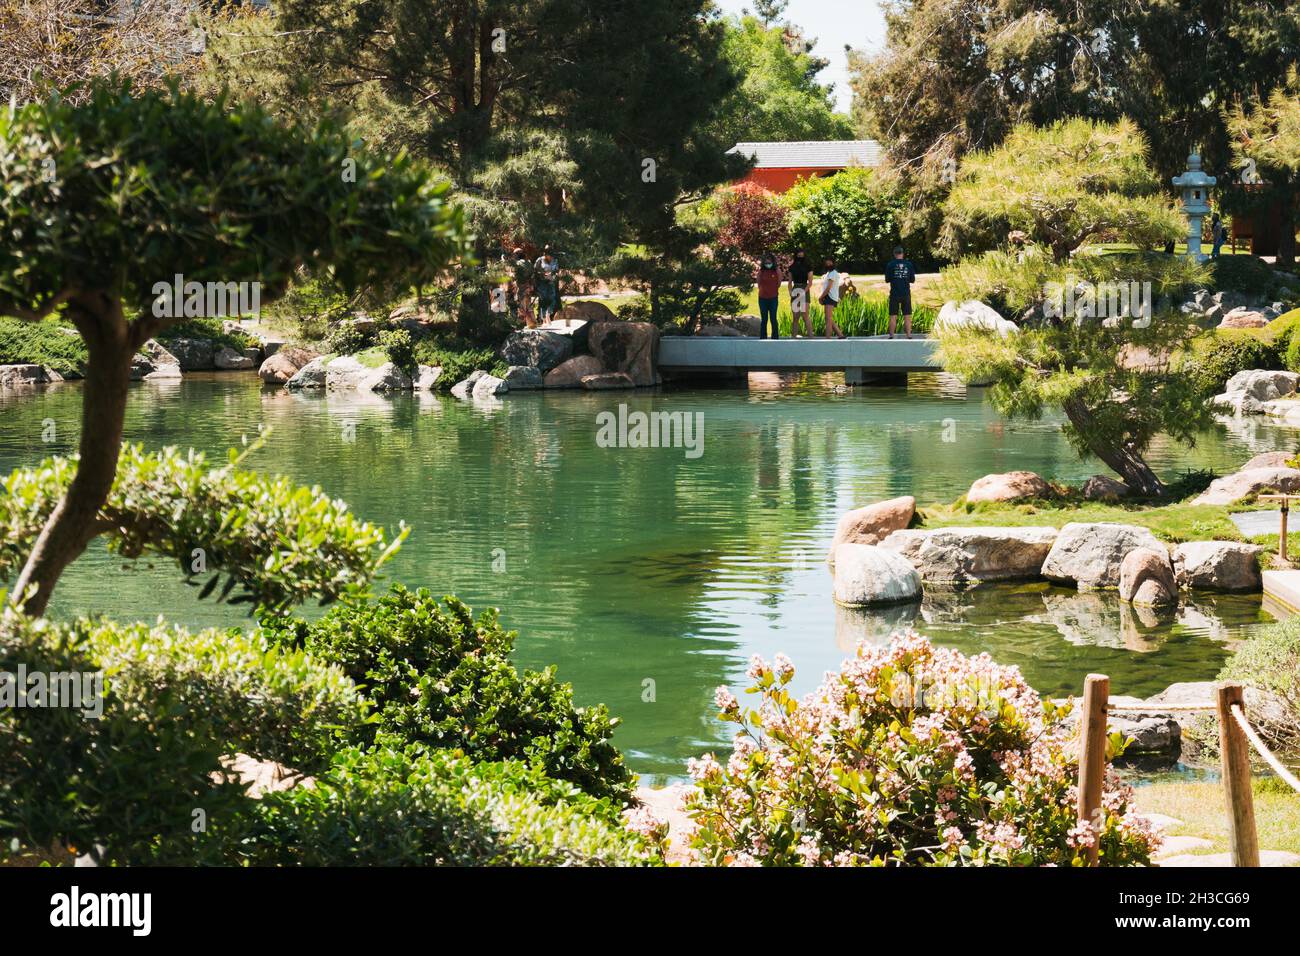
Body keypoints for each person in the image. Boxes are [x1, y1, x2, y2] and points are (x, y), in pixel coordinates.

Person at [884, 245, 917, 339]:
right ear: (903, 254)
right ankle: (909, 335)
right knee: (907, 315)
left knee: (893, 315)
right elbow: (912, 280)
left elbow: (887, 279)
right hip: (906, 294)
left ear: (894, 254)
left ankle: (891, 335)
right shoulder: (909, 265)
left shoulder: (890, 265)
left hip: (894, 293)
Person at [756, 251, 783, 339]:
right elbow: (758, 283)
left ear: (773, 262)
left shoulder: (777, 271)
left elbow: (779, 283)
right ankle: (763, 337)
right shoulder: (761, 271)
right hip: (762, 298)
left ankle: (775, 337)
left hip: (773, 298)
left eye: (770, 262)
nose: (768, 264)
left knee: (773, 318)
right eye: (766, 262)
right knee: (764, 319)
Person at [787, 248, 814, 337]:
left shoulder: (808, 267)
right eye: (798, 256)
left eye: (802, 256)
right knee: (795, 317)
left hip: (804, 289)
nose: (800, 257)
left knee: (805, 315)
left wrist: (803, 292)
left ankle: (811, 337)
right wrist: (790, 292)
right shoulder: (791, 267)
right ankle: (793, 338)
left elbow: (810, 283)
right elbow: (790, 281)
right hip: (795, 290)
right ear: (796, 256)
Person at [818, 257, 844, 339]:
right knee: (828, 318)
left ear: (833, 263)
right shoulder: (828, 273)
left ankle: (828, 338)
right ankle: (840, 335)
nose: (828, 265)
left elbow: (829, 287)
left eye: (830, 263)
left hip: (831, 297)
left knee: (828, 318)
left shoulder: (833, 273)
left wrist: (820, 297)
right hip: (828, 296)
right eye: (827, 263)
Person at [534, 245, 561, 322]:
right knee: (543, 301)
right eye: (549, 255)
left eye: (552, 255)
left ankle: (548, 316)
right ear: (545, 254)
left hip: (551, 283)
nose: (551, 257)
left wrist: (554, 275)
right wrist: (543, 274)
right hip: (542, 284)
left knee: (552, 300)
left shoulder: (555, 260)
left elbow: (556, 270)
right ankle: (541, 318)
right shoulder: (540, 260)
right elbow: (535, 271)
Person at [510, 247, 536, 328]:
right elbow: (533, 276)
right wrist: (531, 286)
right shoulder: (529, 263)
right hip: (528, 287)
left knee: (521, 307)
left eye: (514, 254)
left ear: (517, 255)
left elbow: (513, 276)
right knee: (529, 306)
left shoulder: (517, 264)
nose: (513, 256)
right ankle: (532, 324)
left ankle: (520, 325)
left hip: (520, 288)